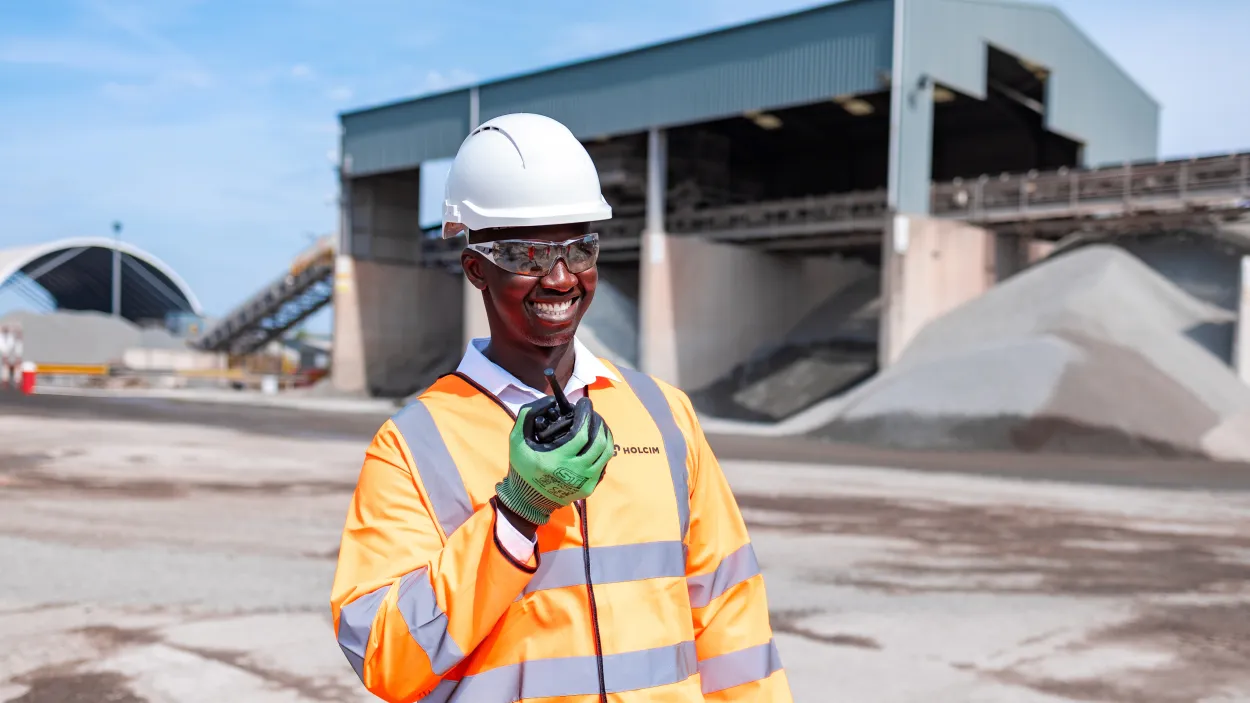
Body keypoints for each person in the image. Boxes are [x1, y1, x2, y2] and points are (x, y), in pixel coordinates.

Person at [329, 112, 793, 702]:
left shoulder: (664, 415)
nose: (559, 278)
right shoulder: (413, 445)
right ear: (477, 269)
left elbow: (732, 620)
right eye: (528, 255)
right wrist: (515, 517)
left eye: (578, 250)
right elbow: (385, 658)